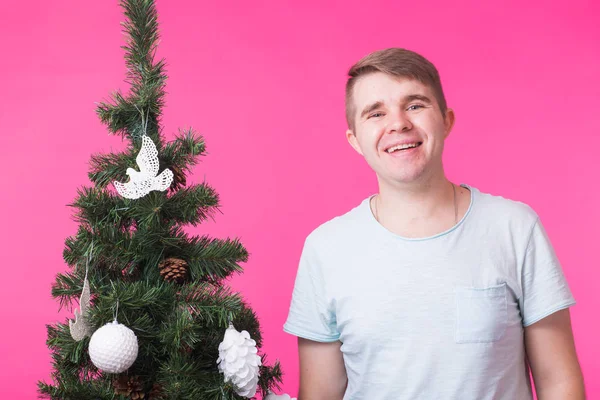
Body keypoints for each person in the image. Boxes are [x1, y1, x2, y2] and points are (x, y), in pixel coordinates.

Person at [283, 48, 585, 400]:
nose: (398, 123)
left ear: (446, 120)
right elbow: (320, 394)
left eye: (415, 105)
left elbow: (559, 382)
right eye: (375, 112)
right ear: (355, 141)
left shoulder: (515, 228)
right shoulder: (326, 249)